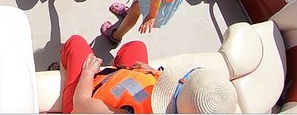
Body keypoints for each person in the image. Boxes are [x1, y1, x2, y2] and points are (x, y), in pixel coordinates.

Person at [55, 34, 237, 113]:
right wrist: (152, 74)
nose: (180, 78)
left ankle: (61, 66)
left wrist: (88, 72)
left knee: (76, 43)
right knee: (136, 46)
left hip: (86, 97)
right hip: (124, 85)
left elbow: (81, 105)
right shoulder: (189, 107)